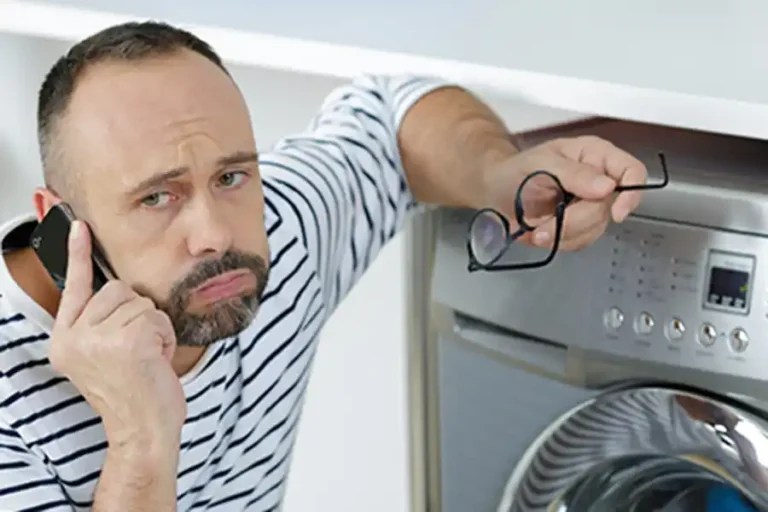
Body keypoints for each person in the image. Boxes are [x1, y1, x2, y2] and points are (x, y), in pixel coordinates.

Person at [0, 20, 648, 511]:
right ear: (61, 222)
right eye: (157, 197)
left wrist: (500, 176)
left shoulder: (281, 236)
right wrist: (142, 444)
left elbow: (391, 114)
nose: (215, 234)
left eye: (230, 175)